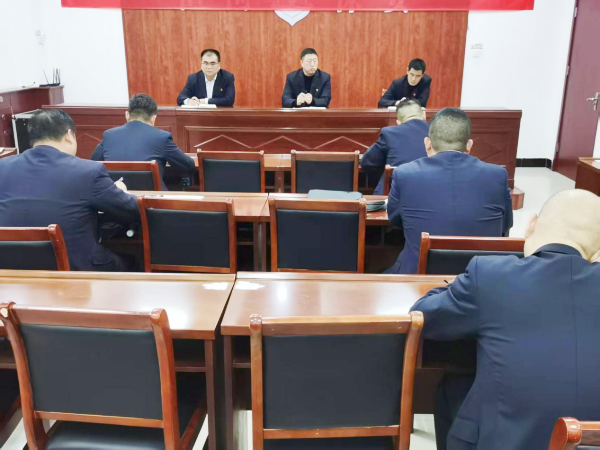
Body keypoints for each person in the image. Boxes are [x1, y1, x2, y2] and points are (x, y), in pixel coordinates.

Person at [410, 189, 600, 450]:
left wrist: (458, 286)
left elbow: (424, 317)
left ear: (531, 224)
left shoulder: (491, 275)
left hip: (504, 443)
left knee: (453, 385)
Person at [0, 109, 139, 271]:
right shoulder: (88, 171)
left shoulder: (3, 167)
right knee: (133, 260)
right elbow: (132, 208)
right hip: (74, 270)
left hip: (10, 269)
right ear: (68, 135)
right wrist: (121, 191)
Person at [387, 108, 513, 274]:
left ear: (427, 143)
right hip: (482, 276)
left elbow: (394, 220)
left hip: (418, 276)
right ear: (469, 145)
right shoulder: (497, 175)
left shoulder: (404, 173)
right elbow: (505, 226)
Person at [92, 94, 195, 190]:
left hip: (116, 198)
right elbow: (188, 165)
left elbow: (93, 163)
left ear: (127, 115)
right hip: (152, 200)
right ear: (154, 118)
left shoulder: (109, 135)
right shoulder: (161, 137)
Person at [361, 99, 429, 194]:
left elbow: (367, 162)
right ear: (424, 115)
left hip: (393, 195)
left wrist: (385, 172)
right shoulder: (436, 132)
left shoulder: (389, 133)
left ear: (398, 122)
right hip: (430, 192)